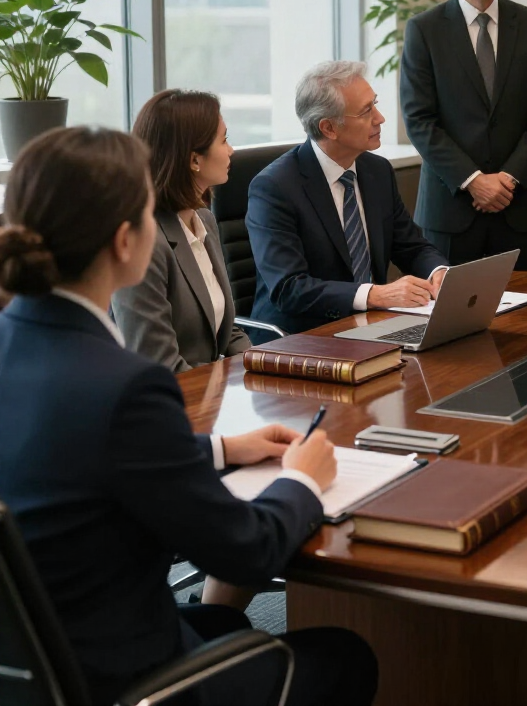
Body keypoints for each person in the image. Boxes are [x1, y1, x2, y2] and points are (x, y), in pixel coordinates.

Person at [0, 126, 377, 706]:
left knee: (225, 624)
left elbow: (71, 455)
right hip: (122, 679)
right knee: (347, 656)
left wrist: (221, 449)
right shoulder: (125, 386)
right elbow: (245, 551)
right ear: (125, 241)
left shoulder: (20, 342)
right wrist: (302, 479)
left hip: (34, 664)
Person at [400, 0, 527, 272]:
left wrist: (508, 178)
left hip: (516, 204)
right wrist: (473, 181)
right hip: (451, 208)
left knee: (523, 306)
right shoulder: (425, 30)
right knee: (449, 308)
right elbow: (419, 120)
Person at [248, 61, 448, 334]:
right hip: (302, 337)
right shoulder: (275, 188)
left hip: (371, 326)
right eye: (366, 111)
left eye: (375, 104)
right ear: (329, 128)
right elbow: (289, 288)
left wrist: (438, 272)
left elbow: (411, 246)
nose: (380, 118)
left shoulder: (377, 171)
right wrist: (374, 295)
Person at [112, 89, 250, 372]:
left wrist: (264, 366)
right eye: (224, 140)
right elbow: (157, 363)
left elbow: (225, 331)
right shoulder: (143, 243)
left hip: (209, 388)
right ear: (194, 160)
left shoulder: (204, 219)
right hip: (168, 393)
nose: (231, 150)